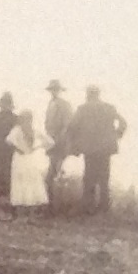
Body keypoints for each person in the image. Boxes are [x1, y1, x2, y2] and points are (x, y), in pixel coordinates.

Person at [69, 86, 127, 215]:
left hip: (90, 149)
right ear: (98, 94)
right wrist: (117, 134)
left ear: (88, 94)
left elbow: (72, 126)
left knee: (89, 177)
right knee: (104, 177)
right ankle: (104, 208)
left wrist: (76, 142)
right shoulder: (109, 108)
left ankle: (88, 207)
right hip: (106, 148)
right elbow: (123, 122)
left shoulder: (83, 109)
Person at [40, 80, 77, 213]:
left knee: (53, 174)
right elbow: (48, 124)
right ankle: (52, 205)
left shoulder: (64, 105)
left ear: (60, 91)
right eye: (52, 90)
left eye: (56, 89)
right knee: (53, 174)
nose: (53, 92)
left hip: (60, 143)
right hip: (52, 142)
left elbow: (68, 125)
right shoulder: (51, 104)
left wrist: (60, 139)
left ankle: (55, 207)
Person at [5, 103, 45, 214]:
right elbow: (8, 140)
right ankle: (24, 212)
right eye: (24, 119)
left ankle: (28, 212)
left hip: (25, 158)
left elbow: (50, 142)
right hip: (23, 158)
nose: (26, 121)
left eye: (28, 119)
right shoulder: (18, 130)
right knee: (23, 181)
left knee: (27, 181)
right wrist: (20, 148)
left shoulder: (31, 131)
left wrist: (35, 147)